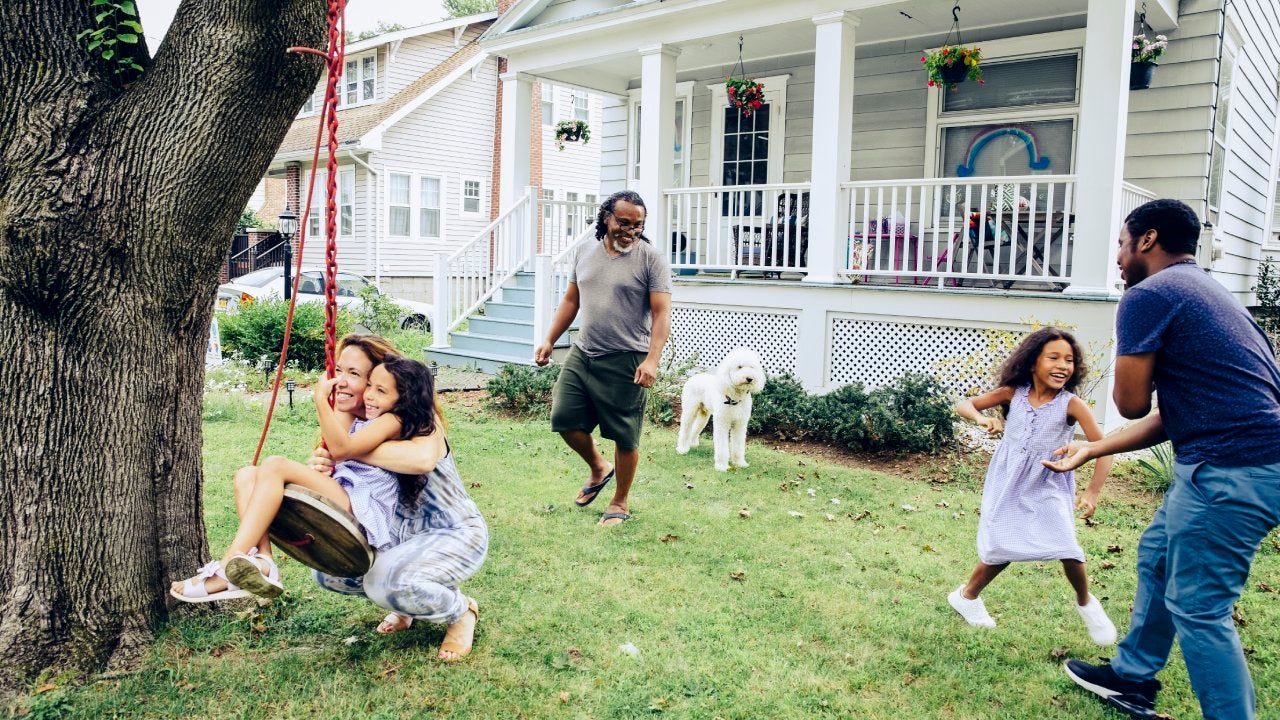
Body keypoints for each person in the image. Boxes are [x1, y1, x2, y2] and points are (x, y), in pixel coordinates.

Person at [1045, 199, 1280, 720]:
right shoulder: (1211, 292)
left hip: (1232, 471)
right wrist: (1094, 447)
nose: (1118, 257)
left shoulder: (1151, 293)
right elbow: (1175, 413)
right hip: (1234, 464)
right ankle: (1132, 677)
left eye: (1122, 244)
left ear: (1147, 240)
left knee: (1198, 606)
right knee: (1157, 557)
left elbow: (1131, 402)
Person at [171, 354, 438, 605]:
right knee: (246, 476)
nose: (369, 395)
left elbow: (342, 449)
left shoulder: (392, 420)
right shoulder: (368, 417)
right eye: (370, 386)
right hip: (348, 492)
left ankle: (227, 565)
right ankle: (263, 561)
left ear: (403, 399)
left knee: (275, 465)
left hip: (362, 503)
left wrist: (321, 400)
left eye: (381, 391)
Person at [946, 327, 1116, 646]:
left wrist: (1092, 491)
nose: (1062, 365)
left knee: (1068, 546)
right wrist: (983, 420)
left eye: (1069, 360)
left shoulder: (1071, 404)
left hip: (1049, 481)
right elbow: (966, 405)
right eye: (1053, 357)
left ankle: (1085, 602)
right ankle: (967, 597)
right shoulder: (1013, 392)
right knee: (1003, 546)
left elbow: (1103, 448)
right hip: (1009, 481)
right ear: (1033, 361)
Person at [533, 191, 672, 526]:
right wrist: (549, 339)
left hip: (626, 357)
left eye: (637, 225)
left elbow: (661, 312)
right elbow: (571, 301)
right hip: (584, 352)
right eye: (623, 222)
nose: (630, 230)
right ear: (606, 217)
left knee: (625, 435)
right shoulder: (584, 252)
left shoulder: (650, 259)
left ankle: (620, 503)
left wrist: (652, 360)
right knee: (563, 418)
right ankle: (598, 466)